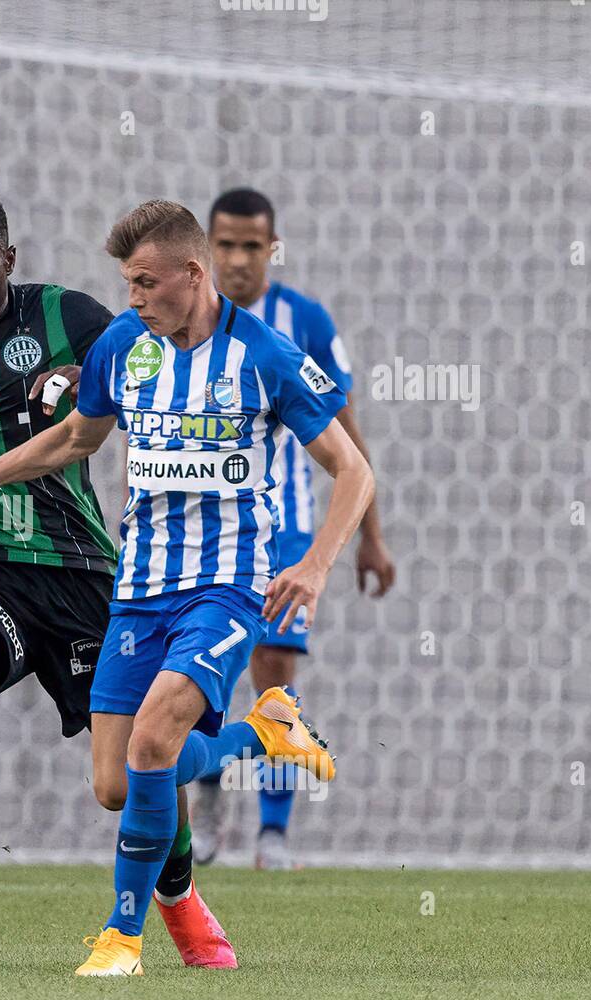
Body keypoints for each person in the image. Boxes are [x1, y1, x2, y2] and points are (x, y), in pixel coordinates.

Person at [0, 199, 370, 976]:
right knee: (118, 782)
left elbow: (354, 470)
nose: (133, 298)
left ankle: (122, 939)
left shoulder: (265, 355)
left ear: (193, 274)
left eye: (147, 283)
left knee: (156, 741)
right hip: (138, 591)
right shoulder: (127, 345)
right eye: (127, 284)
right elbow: (74, 439)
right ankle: (265, 732)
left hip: (225, 588)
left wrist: (315, 563)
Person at [195, 187, 396, 869]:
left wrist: (370, 536)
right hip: (208, 529)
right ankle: (208, 806)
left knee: (273, 673)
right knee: (207, 671)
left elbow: (347, 435)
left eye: (253, 245)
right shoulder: (185, 320)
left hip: (286, 531)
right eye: (226, 244)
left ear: (271, 248)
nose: (239, 258)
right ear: (207, 247)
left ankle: (273, 833)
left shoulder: (301, 320)